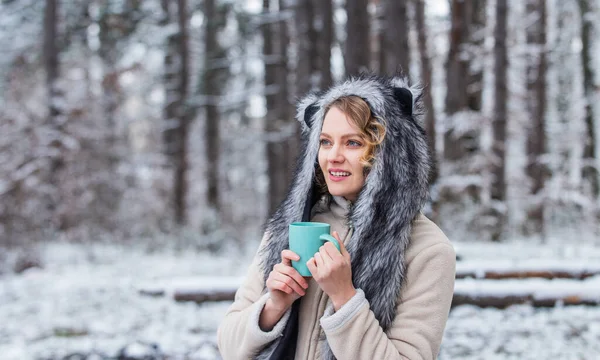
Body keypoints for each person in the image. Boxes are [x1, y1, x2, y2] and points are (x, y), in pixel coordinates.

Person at [217, 74, 456, 360]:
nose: (333, 156)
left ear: (389, 152)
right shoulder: (291, 228)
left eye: (353, 143)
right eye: (326, 142)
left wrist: (345, 297)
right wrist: (273, 307)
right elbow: (228, 346)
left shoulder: (428, 250)